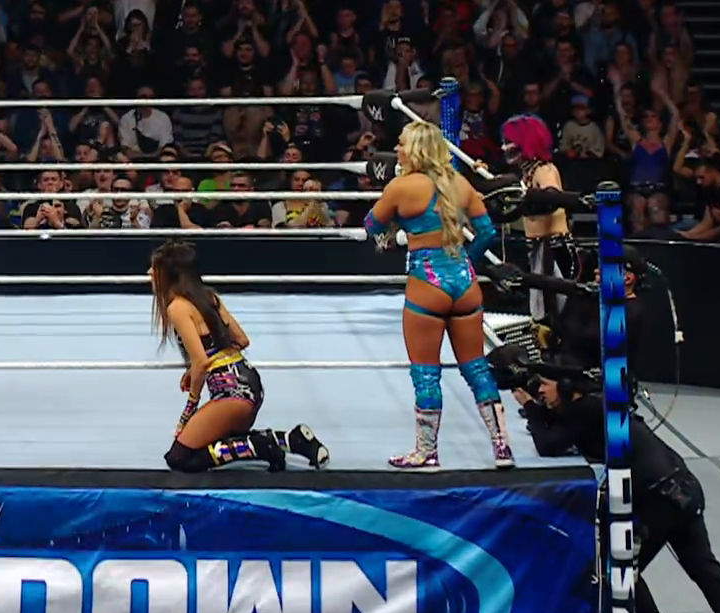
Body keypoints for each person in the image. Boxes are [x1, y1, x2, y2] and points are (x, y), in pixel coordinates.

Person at [515, 376, 720, 613]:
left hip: (659, 499)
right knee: (703, 566)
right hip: (683, 487)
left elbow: (548, 444)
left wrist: (530, 407)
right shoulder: (602, 404)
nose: (540, 390)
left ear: (567, 384)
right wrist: (540, 411)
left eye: (544, 384)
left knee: (619, 570)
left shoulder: (584, 409)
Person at [364, 119, 514, 469]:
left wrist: (400, 222)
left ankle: (426, 452)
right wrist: (467, 262)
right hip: (464, 282)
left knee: (426, 373)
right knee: (477, 368)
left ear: (416, 150)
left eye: (402, 143)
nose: (397, 149)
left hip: (427, 283)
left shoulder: (402, 186)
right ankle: (503, 449)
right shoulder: (460, 183)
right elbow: (487, 232)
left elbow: (371, 224)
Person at [151, 241, 328, 472]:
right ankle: (291, 440)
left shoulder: (177, 308)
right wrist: (195, 368)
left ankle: (260, 446)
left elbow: (202, 362)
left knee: (179, 457)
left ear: (168, 274)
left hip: (232, 394)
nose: (149, 273)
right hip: (249, 382)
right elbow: (241, 340)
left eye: (154, 269)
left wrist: (189, 409)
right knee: (213, 442)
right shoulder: (209, 296)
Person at [501, 114, 581, 319]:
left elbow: (551, 201)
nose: (504, 148)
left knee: (557, 313)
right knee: (543, 312)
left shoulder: (545, 170)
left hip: (554, 249)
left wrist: (525, 203)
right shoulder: (526, 174)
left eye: (509, 142)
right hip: (539, 248)